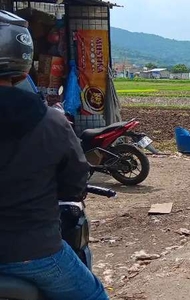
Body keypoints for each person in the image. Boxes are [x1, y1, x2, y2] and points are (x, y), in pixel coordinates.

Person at [0, 10, 109, 300]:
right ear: (24, 67)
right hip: (34, 254)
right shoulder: (52, 121)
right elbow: (75, 180)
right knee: (95, 295)